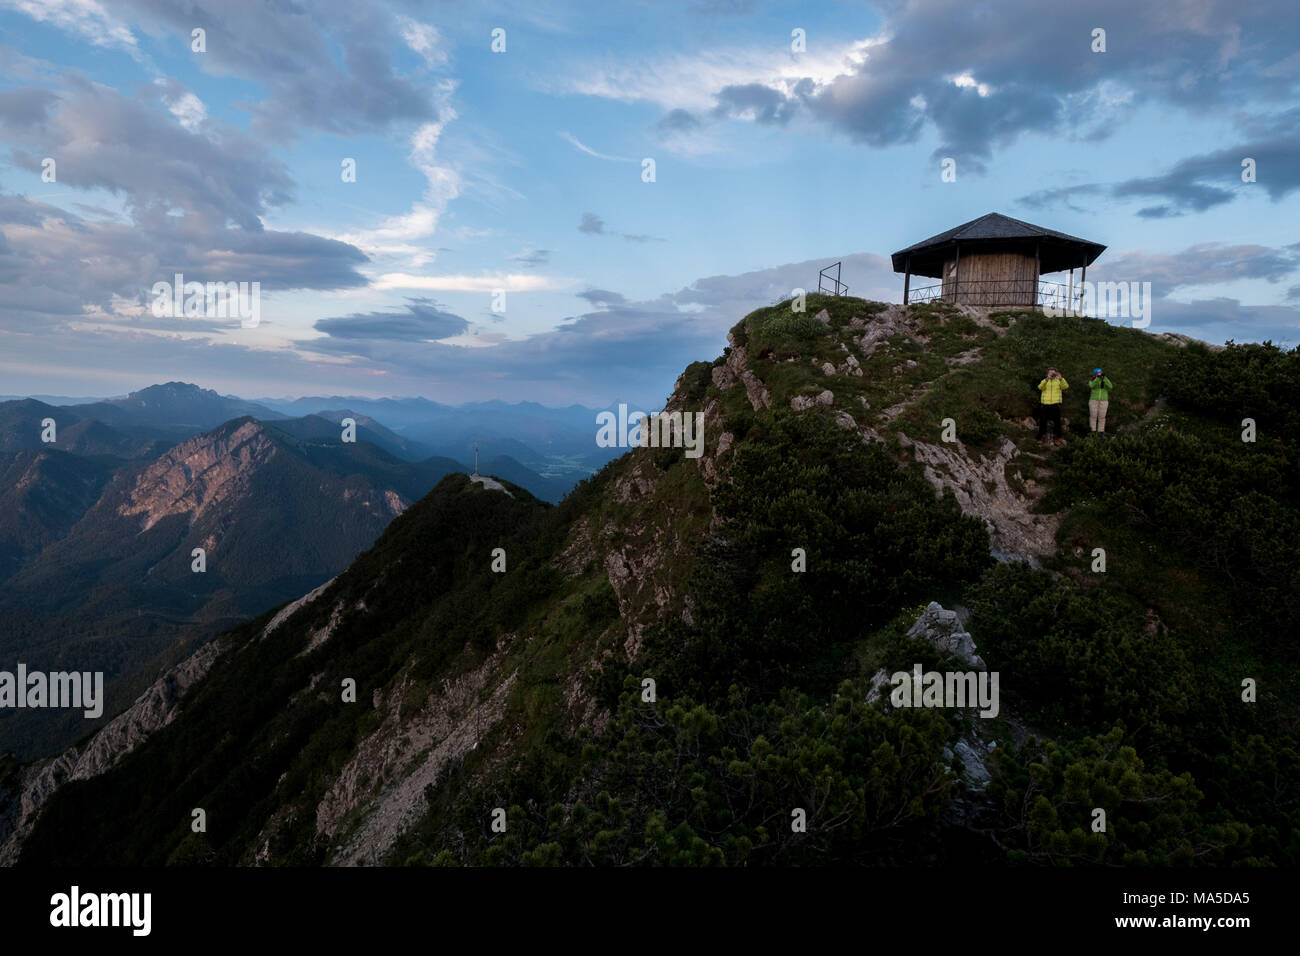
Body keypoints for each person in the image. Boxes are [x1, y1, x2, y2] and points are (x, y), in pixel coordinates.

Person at [1037, 367, 1068, 445]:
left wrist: (1061, 379)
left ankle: (1057, 438)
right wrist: (1047, 379)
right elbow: (1040, 387)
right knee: (1043, 422)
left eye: (1053, 373)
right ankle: (1041, 437)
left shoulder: (1058, 381)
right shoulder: (1044, 381)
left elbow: (1065, 387)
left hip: (1055, 404)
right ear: (1047, 373)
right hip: (1045, 404)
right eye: (1050, 373)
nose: (1052, 374)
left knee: (1057, 422)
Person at [1088, 367, 1114, 434]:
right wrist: (1097, 378)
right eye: (1097, 373)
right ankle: (1092, 431)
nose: (1099, 375)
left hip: (1104, 401)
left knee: (1102, 417)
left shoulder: (1105, 380)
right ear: (1094, 374)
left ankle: (1101, 431)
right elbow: (1091, 386)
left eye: (1100, 373)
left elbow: (1110, 386)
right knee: (1093, 416)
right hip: (1093, 400)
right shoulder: (1092, 381)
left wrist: (1104, 378)